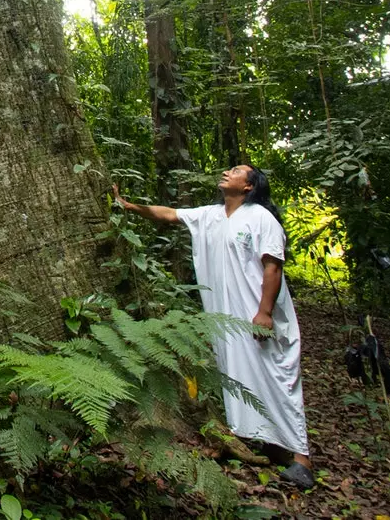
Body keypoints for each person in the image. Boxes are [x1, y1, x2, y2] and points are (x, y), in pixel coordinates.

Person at [112, 165, 316, 489]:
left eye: (236, 171)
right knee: (247, 379)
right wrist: (129, 206)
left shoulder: (261, 218)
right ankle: (275, 447)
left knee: (278, 379)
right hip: (229, 320)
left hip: (258, 319)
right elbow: (169, 215)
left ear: (249, 186)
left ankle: (302, 460)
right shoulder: (212, 215)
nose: (226, 172)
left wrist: (264, 313)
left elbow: (273, 266)